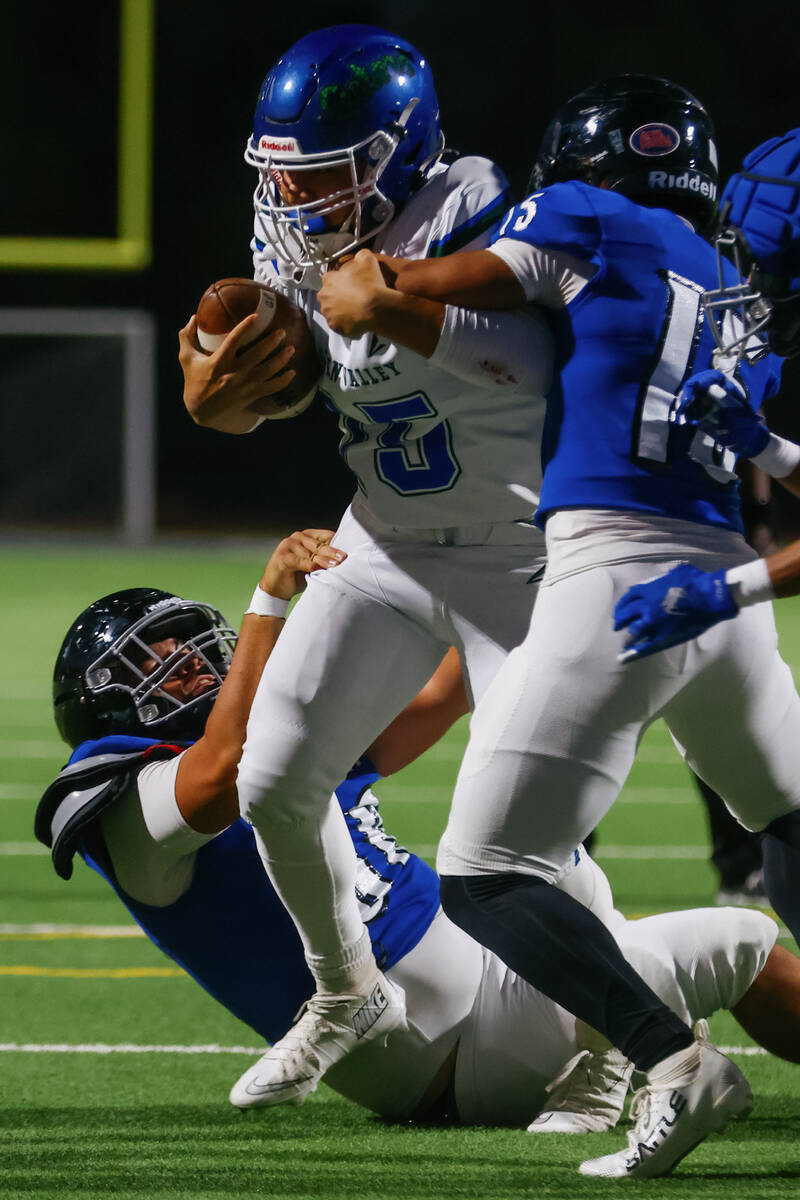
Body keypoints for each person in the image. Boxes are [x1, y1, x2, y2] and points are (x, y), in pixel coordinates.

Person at [319, 78, 800, 1178]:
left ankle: (672, 1068)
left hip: (614, 572)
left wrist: (358, 288)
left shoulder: (580, 215)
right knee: (783, 813)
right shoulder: (728, 277)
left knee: (485, 871)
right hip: (719, 579)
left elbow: (414, 286)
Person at [35, 536, 800, 1132]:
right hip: (461, 1046)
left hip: (491, 996)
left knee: (531, 804)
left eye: (195, 651)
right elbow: (225, 768)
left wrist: (539, 594)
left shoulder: (286, 749)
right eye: (163, 666)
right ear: (107, 706)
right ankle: (598, 1055)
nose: (199, 669)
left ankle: (603, 1053)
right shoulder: (128, 801)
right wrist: (270, 604)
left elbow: (443, 694)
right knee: (739, 941)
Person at [177, 23, 558, 1115]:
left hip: (517, 555)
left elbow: (530, 366)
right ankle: (346, 993)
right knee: (273, 784)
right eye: (281, 175)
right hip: (384, 537)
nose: (294, 201)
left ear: (396, 155)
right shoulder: (300, 237)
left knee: (524, 835)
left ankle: (606, 1043)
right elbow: (277, 389)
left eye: (319, 176)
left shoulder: (478, 214)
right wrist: (216, 391)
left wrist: (392, 301)